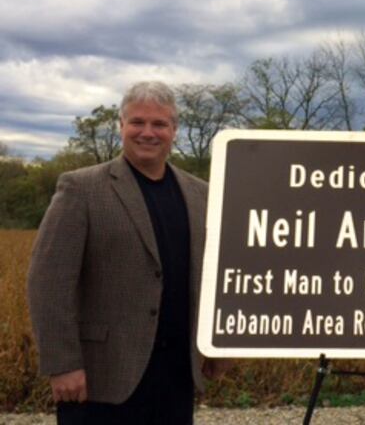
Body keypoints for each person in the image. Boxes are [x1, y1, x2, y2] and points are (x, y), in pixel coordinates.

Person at [28, 81, 222, 424]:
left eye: (159, 124)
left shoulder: (201, 194)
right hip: (101, 379)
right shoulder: (81, 188)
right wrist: (62, 364)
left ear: (174, 130)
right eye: (137, 122)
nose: (148, 132)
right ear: (121, 126)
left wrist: (214, 346)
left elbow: (212, 277)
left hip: (175, 377)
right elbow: (49, 283)